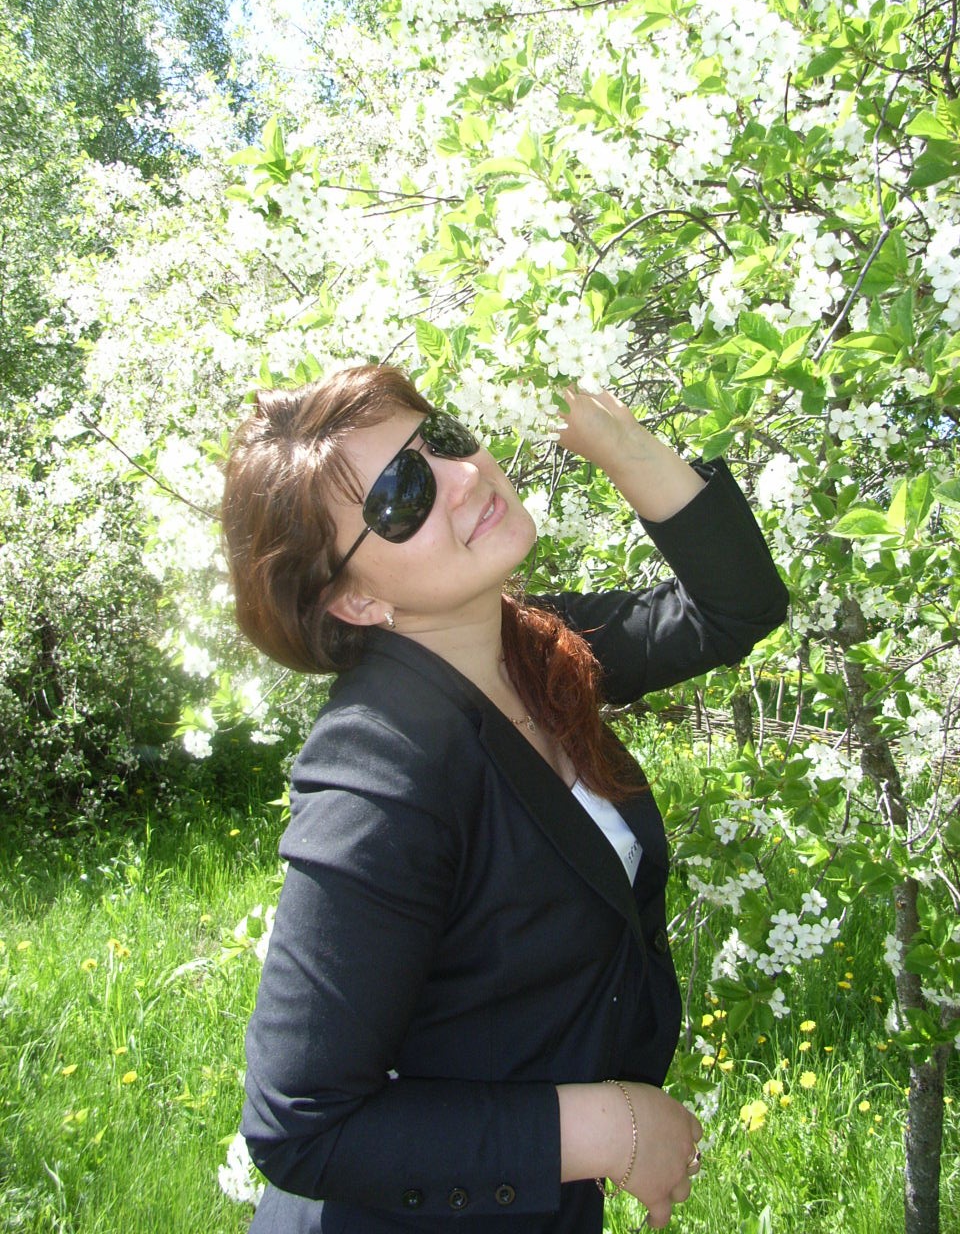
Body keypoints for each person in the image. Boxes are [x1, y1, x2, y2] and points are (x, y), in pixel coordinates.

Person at [221, 363, 788, 1234]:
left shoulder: (525, 647)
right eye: (401, 496)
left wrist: (619, 443)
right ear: (357, 598)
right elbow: (302, 1125)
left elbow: (735, 607)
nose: (463, 475)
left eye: (442, 438)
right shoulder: (378, 775)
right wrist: (605, 1129)